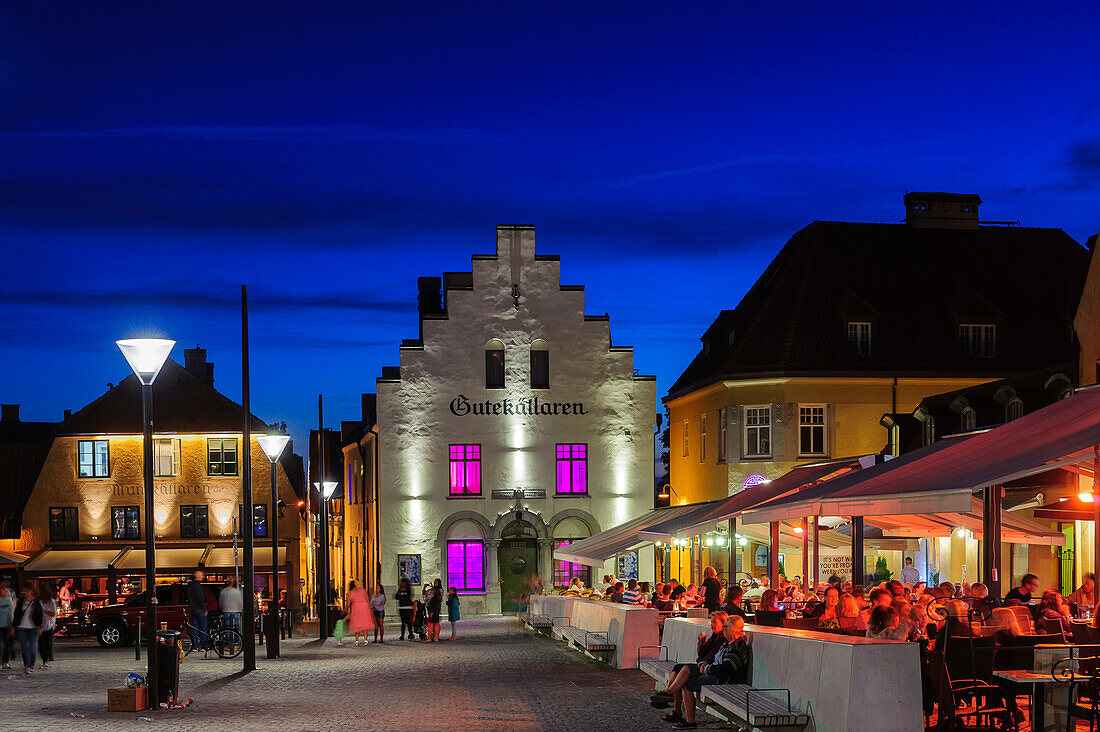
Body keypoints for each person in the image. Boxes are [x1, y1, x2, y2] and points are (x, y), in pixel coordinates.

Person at [671, 614, 751, 729]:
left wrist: (707, 669)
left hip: (723, 680)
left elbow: (725, 670)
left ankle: (689, 721)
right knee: (683, 671)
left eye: (725, 626)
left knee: (688, 685)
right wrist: (705, 665)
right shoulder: (728, 643)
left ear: (732, 628)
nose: (723, 629)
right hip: (714, 673)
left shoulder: (737, 647)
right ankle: (672, 695)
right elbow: (712, 658)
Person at [655, 612, 729, 723]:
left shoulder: (722, 639)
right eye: (711, 621)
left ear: (723, 624)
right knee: (677, 668)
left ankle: (669, 693)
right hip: (703, 665)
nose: (711, 624)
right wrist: (702, 642)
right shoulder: (715, 636)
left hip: (708, 669)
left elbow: (710, 658)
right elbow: (702, 655)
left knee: (685, 671)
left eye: (714, 621)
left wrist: (702, 664)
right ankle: (671, 699)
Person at [13, 584, 42, 675]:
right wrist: (14, 626)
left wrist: (40, 626)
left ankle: (31, 665)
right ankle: (26, 665)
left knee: (32, 647)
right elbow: (17, 614)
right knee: (24, 647)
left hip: (33, 628)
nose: (23, 593)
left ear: (30, 591)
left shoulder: (36, 602)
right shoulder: (21, 602)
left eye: (25, 591)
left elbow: (40, 615)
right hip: (22, 627)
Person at [341, 580, 374, 646]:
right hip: (364, 608)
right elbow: (367, 599)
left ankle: (357, 640)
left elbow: (348, 603)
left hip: (356, 609)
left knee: (357, 624)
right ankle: (365, 640)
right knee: (365, 624)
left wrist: (345, 609)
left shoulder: (350, 593)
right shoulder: (362, 590)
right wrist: (370, 609)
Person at [185, 569, 208, 647]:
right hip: (200, 609)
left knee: (195, 627)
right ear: (198, 576)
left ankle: (195, 645)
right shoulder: (197, 586)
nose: (203, 577)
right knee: (203, 627)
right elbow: (200, 598)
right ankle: (203, 644)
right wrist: (204, 609)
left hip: (193, 608)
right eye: (202, 575)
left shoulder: (190, 585)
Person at [37, 583, 56, 668]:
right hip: (40, 624)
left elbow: (53, 613)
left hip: (49, 624)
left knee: (47, 643)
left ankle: (46, 660)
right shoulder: (38, 601)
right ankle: (44, 659)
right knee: (41, 644)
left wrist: (44, 610)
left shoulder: (51, 602)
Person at [0, 579, 13, 670]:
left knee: (6, 643)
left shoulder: (10, 593)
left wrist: (12, 623)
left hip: (7, 623)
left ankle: (5, 661)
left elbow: (11, 611)